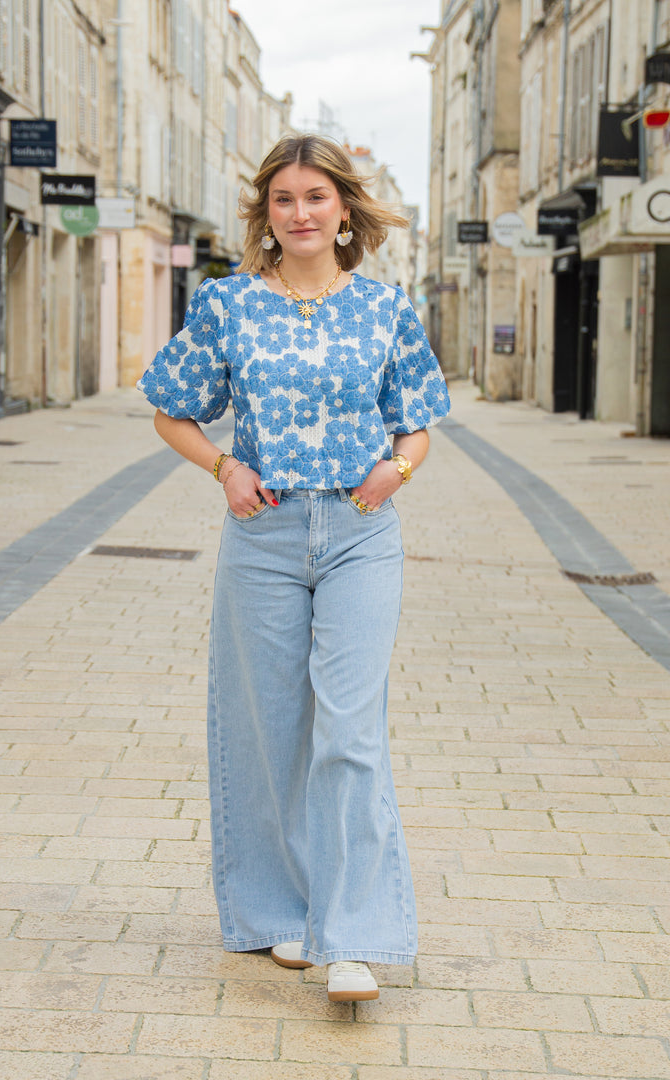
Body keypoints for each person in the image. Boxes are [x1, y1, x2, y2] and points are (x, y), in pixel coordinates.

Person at [137, 134, 450, 1003]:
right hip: (264, 536)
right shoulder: (229, 304)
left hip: (360, 532)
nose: (300, 212)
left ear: (344, 209)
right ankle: (279, 912)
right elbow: (169, 409)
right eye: (284, 198)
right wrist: (224, 467)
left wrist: (398, 469)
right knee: (266, 727)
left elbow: (417, 420)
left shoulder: (385, 310)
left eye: (316, 197)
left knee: (349, 731)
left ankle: (350, 938)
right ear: (266, 213)